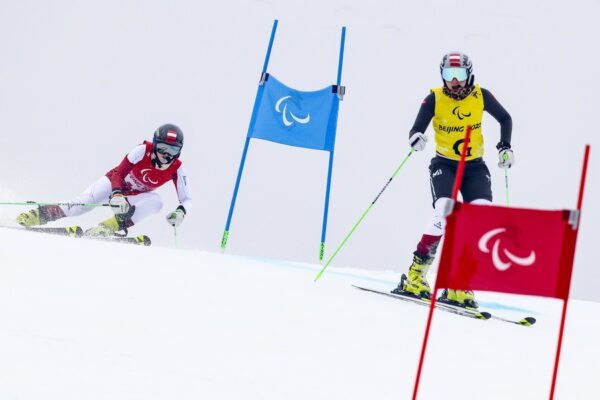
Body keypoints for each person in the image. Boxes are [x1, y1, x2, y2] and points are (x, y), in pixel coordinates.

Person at [391, 52, 513, 309]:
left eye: (459, 75)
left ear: (469, 74)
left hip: (474, 168)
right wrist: (416, 138)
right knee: (443, 212)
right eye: (448, 75)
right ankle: (415, 277)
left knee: (480, 217)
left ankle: (458, 283)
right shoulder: (434, 98)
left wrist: (505, 146)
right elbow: (416, 129)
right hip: (445, 165)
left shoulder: (481, 95)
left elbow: (505, 118)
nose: (454, 81)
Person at [16, 123, 192, 237]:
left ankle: (106, 228)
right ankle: (38, 215)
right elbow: (119, 173)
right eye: (162, 148)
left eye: (173, 151)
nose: (166, 155)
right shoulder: (141, 151)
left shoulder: (177, 168)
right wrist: (116, 193)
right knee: (80, 206)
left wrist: (181, 211)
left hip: (134, 195)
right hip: (113, 184)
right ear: (155, 144)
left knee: (156, 202)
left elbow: (186, 199)